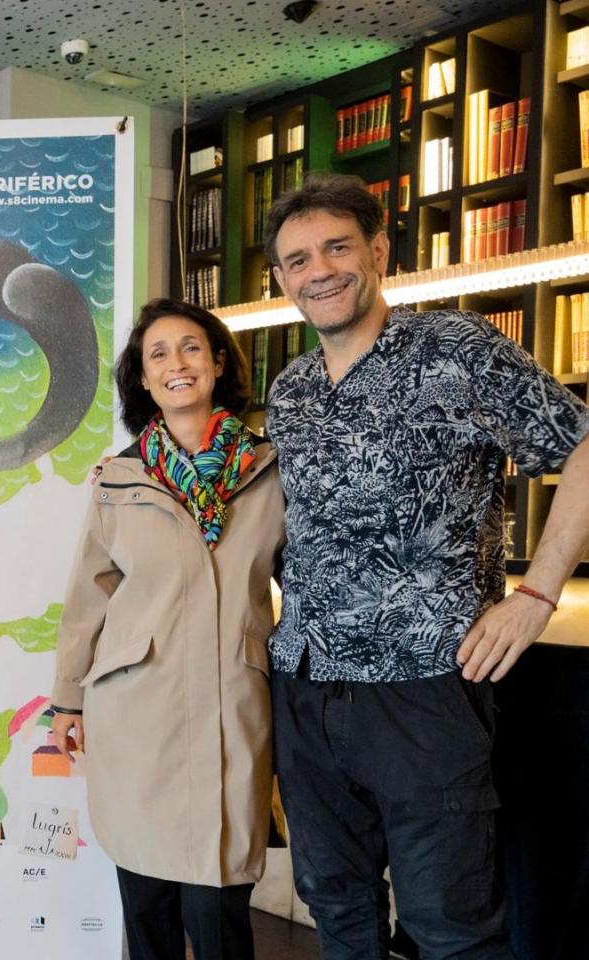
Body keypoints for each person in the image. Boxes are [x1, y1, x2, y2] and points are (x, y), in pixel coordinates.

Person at [262, 171, 589, 959]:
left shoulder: (456, 350)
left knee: (450, 926)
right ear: (282, 279)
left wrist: (537, 594)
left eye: (338, 247)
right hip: (306, 684)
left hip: (425, 686)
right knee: (336, 908)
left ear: (379, 251)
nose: (319, 270)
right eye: (299, 260)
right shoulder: (291, 390)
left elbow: (583, 445)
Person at [50, 299, 280, 960]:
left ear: (218, 364)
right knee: (146, 902)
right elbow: (89, 595)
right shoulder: (120, 479)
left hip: (231, 700)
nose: (176, 363)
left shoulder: (270, 470)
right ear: (144, 380)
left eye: (190, 347)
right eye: (158, 354)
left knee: (218, 900)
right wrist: (67, 699)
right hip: (135, 709)